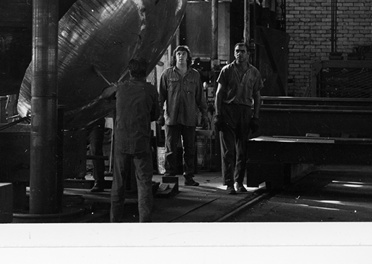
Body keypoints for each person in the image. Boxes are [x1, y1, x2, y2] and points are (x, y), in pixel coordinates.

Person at [104, 58, 159, 222]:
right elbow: (155, 115)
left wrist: (114, 87)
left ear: (129, 72)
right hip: (141, 142)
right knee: (144, 184)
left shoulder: (120, 88)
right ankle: (144, 223)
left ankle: (115, 221)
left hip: (121, 142)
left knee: (118, 183)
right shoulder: (150, 90)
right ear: (146, 72)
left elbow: (103, 95)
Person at [213, 42, 263, 194]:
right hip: (229, 111)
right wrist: (217, 114)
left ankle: (239, 182)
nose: (239, 54)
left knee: (242, 150)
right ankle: (229, 184)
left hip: (245, 112)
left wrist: (256, 116)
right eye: (236, 51)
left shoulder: (254, 73)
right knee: (229, 151)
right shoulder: (227, 70)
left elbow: (257, 95)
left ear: (248, 54)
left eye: (242, 51)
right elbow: (219, 94)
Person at [158, 45, 208, 186]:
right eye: (178, 54)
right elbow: (161, 96)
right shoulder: (167, 74)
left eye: (183, 54)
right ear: (175, 57)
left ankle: (189, 177)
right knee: (170, 149)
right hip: (172, 117)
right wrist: (160, 114)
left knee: (190, 149)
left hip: (189, 117)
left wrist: (205, 115)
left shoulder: (195, 75)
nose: (181, 56)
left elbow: (200, 97)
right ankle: (169, 176)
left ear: (188, 57)